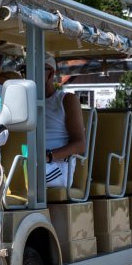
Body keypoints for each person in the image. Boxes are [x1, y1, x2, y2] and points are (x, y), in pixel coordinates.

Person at [42, 55, 85, 187]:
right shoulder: (25, 101)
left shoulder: (66, 100)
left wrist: (49, 156)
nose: (28, 75)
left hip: (57, 167)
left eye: (35, 69)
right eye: (25, 71)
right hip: (30, 162)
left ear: (50, 74)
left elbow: (80, 145)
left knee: (32, 176)